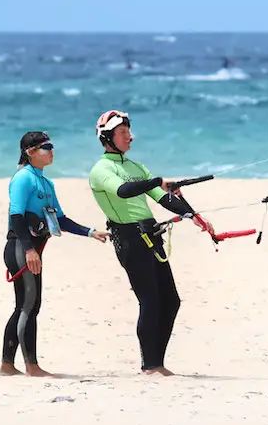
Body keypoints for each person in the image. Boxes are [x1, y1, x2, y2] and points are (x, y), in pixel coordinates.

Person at [88, 110, 215, 377]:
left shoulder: (136, 167)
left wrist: (194, 216)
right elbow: (124, 191)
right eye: (123, 133)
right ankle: (150, 365)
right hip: (129, 239)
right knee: (150, 301)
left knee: (171, 300)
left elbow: (162, 198)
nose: (129, 137)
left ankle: (158, 362)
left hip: (151, 234)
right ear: (107, 137)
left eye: (128, 131)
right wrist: (156, 181)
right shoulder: (102, 170)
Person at [0, 130, 110, 377]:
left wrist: (90, 232)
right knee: (29, 305)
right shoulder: (23, 178)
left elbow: (60, 219)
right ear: (30, 152)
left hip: (32, 248)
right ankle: (31, 366)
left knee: (25, 306)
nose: (51, 151)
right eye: (46, 147)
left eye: (51, 146)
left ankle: (7, 365)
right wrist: (29, 249)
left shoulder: (46, 183)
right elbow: (16, 216)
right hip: (20, 246)